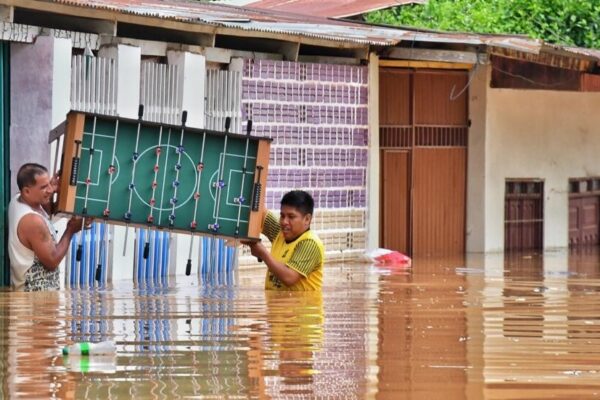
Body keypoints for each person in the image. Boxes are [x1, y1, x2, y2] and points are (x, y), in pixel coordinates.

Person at [8, 163, 88, 291]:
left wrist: (52, 190)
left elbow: (46, 214)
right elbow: (52, 261)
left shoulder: (18, 199)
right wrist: (71, 230)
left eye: (49, 184)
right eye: (44, 187)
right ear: (27, 191)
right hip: (35, 297)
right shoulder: (32, 221)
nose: (50, 190)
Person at [244, 190, 324, 291]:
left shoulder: (310, 243)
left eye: (291, 217)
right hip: (276, 305)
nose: (284, 221)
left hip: (300, 306)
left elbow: (289, 278)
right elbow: (260, 213)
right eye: (282, 216)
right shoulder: (279, 232)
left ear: (307, 219)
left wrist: (263, 254)